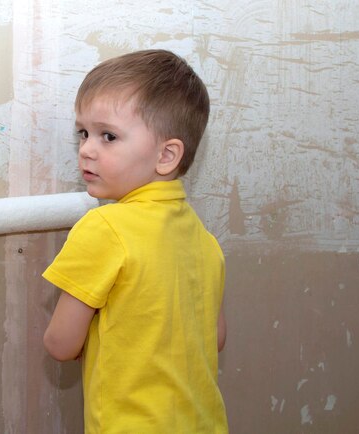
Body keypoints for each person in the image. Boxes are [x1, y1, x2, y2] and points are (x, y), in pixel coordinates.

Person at [42, 49, 228, 433]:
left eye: (108, 136)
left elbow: (60, 344)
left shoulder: (104, 229)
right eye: (83, 133)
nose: (87, 149)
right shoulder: (205, 240)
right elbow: (216, 337)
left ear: (166, 155)